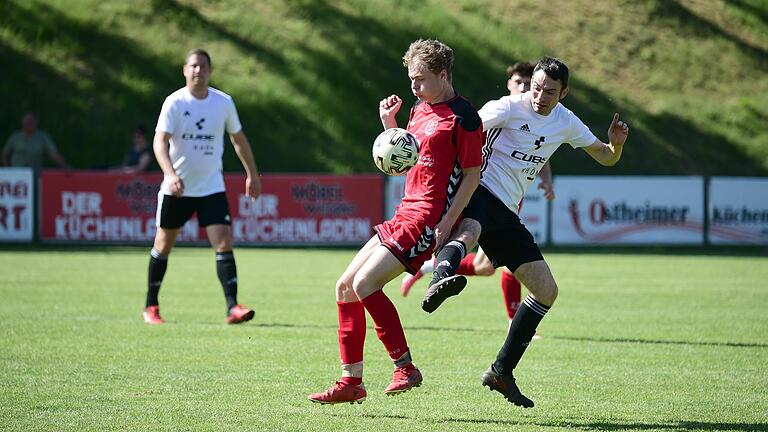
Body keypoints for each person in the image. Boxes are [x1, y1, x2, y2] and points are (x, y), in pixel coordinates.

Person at [422, 57, 629, 407]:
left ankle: (501, 370)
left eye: (549, 91)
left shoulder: (566, 122)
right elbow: (462, 128)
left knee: (547, 290)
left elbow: (606, 157)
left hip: (508, 210)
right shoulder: (508, 107)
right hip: (478, 189)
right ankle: (439, 277)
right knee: (470, 229)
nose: (540, 96)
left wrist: (617, 144)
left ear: (564, 93)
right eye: (535, 87)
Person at [307, 39, 484, 404]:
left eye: (420, 80)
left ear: (443, 74)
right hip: (405, 211)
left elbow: (471, 174)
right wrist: (389, 125)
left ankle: (405, 366)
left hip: (426, 219)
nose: (414, 88)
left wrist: (449, 221)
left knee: (365, 284)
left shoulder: (464, 117)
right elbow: (411, 158)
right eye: (411, 80)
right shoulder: (420, 109)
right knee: (344, 287)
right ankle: (350, 382)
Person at [401, 61, 554, 331]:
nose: (523, 88)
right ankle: (512, 319)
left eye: (527, 84)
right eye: (518, 82)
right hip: (485, 193)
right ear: (509, 84)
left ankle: (432, 268)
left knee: (485, 267)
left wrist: (546, 179)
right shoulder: (505, 109)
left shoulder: (535, 115)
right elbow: (469, 133)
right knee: (502, 262)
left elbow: (541, 147)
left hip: (510, 197)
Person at [143, 49, 262, 325]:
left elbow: (238, 140)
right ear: (185, 70)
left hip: (211, 188)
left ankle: (232, 307)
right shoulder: (174, 102)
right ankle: (151, 306)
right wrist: (170, 174)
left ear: (210, 71)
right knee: (163, 245)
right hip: (178, 189)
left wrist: (252, 174)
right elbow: (159, 142)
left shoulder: (223, 103)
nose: (198, 71)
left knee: (223, 242)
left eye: (203, 66)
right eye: (193, 66)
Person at [2, 112, 69, 170]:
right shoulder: (15, 137)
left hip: (34, 173)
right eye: (26, 121)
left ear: (36, 122)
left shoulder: (42, 137)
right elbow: (5, 154)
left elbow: (53, 153)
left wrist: (64, 166)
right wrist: (8, 170)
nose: (27, 124)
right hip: (18, 173)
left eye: (30, 121)